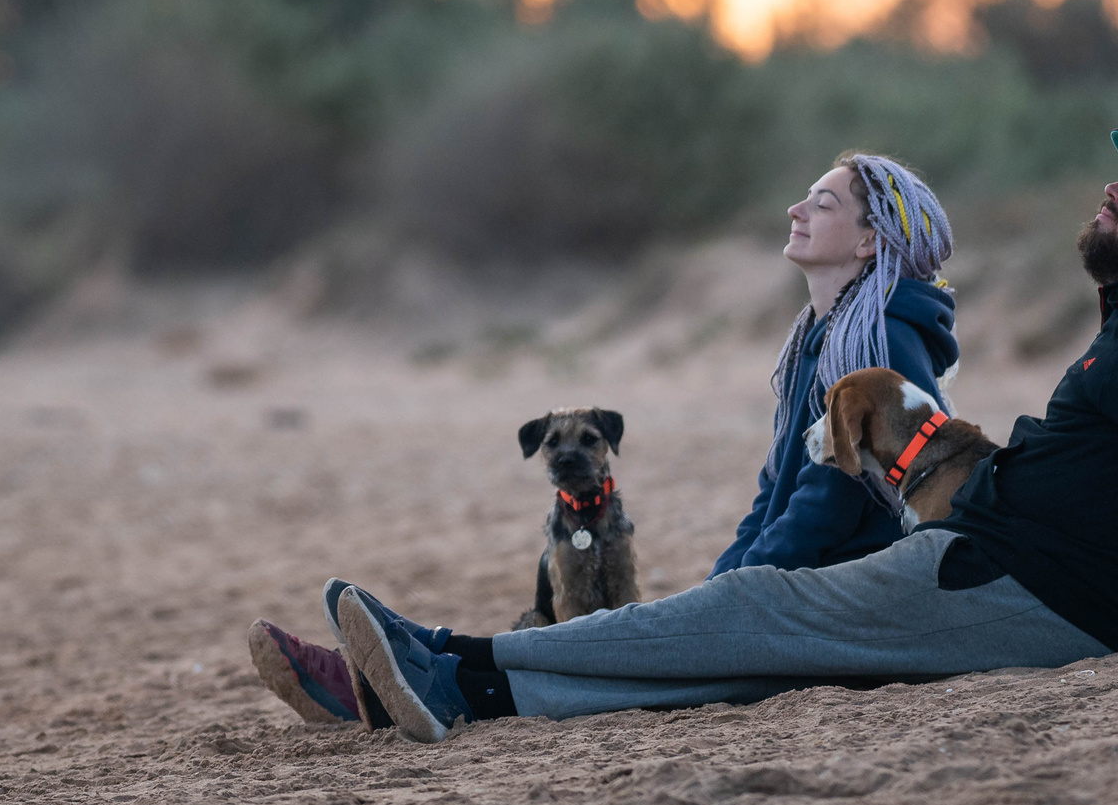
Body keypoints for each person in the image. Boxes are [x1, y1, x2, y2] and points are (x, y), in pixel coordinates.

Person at [323, 129, 1118, 743]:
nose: (1107, 190)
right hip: (991, 565)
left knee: (754, 612)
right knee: (757, 644)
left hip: (1010, 580)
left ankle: (459, 668)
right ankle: (475, 682)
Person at [243, 152, 960, 727]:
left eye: (824, 202)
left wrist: (736, 595)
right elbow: (775, 491)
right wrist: (726, 583)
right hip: (794, 583)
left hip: (842, 598)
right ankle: (409, 670)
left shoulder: (885, 342)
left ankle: (437, 667)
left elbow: (830, 505)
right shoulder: (821, 339)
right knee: (648, 635)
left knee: (645, 649)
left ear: (870, 240)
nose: (797, 209)